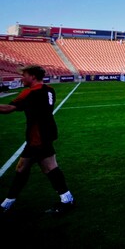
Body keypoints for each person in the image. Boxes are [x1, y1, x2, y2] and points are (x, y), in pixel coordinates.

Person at [0, 65, 75, 214]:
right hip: (47, 133)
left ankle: (67, 199)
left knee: (47, 167)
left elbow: (8, 109)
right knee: (28, 167)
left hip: (37, 137)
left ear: (33, 76)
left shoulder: (30, 93)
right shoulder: (49, 90)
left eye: (24, 75)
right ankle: (8, 202)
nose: (22, 78)